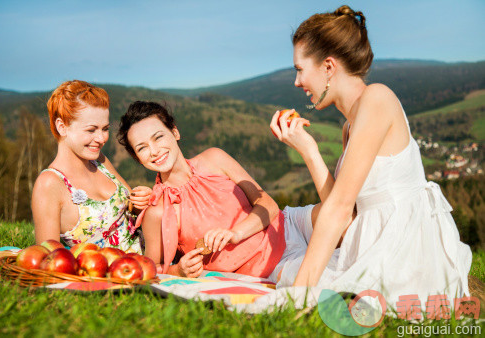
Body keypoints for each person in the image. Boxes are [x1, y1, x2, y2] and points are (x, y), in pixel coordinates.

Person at [269, 5, 471, 306]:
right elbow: (346, 213)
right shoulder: (350, 126)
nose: (297, 82)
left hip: (406, 249)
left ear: (328, 67)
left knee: (296, 282)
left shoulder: (377, 98)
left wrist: (297, 297)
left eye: (300, 69)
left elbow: (338, 209)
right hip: (373, 241)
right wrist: (310, 151)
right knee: (286, 271)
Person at [117, 101, 291, 278]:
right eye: (142, 148)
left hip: (287, 232)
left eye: (158, 137)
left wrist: (235, 234)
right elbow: (150, 267)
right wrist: (178, 270)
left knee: (320, 219)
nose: (154, 151)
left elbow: (268, 205)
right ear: (138, 159)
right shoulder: (157, 211)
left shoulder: (215, 158)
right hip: (259, 273)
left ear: (175, 132)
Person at [32, 80, 149, 253]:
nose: (102, 138)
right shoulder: (49, 184)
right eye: (91, 130)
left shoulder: (99, 161)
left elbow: (131, 209)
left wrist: (140, 201)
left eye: (105, 128)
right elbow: (48, 258)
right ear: (62, 127)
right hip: (108, 275)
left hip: (150, 258)